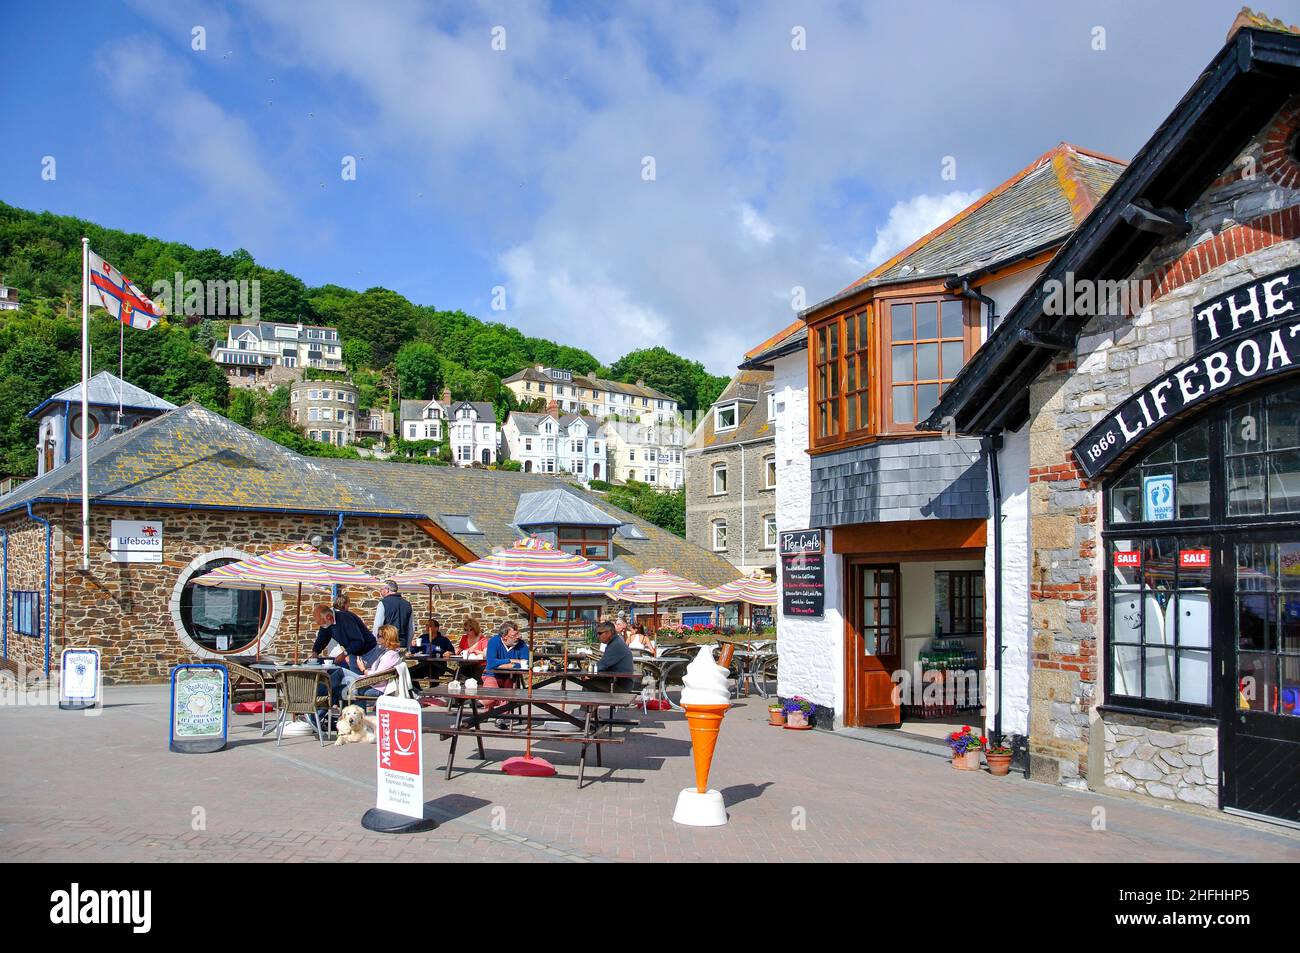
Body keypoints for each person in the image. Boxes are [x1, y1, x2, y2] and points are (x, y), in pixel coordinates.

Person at [356, 625, 405, 697]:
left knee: (343, 678)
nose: (377, 637)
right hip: (377, 685)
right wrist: (369, 670)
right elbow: (380, 671)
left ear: (387, 638)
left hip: (379, 689)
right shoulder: (387, 652)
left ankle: (337, 705)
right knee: (343, 678)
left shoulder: (390, 654)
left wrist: (363, 669)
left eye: (379, 635)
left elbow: (378, 676)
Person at [591, 619, 635, 692]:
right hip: (616, 680)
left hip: (620, 685)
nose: (598, 636)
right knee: (590, 684)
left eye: (600, 633)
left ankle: (588, 703)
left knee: (588, 686)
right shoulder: (615, 642)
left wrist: (589, 672)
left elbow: (603, 664)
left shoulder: (616, 645)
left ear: (609, 633)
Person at [372, 579, 415, 649]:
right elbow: (411, 628)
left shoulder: (383, 603)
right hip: (402, 644)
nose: (380, 592)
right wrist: (408, 645)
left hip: (387, 644)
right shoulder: (407, 604)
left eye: (381, 589)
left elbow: (377, 626)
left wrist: (376, 644)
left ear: (387, 589)